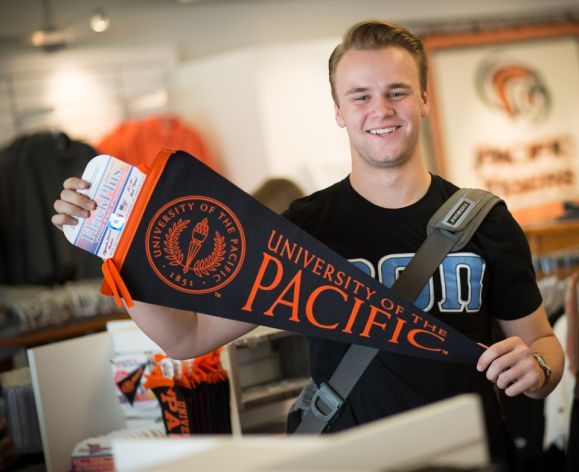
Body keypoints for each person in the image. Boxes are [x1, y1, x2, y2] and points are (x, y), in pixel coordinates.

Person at [52, 20, 564, 467]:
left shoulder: (487, 220)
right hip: (346, 458)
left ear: (424, 100)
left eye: (398, 91)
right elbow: (187, 338)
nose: (380, 109)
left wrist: (537, 368)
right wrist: (114, 242)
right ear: (339, 111)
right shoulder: (303, 227)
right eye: (360, 96)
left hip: (468, 453)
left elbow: (545, 346)